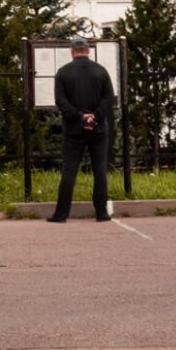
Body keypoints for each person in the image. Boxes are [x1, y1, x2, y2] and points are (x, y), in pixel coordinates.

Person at [49, 37, 116, 223]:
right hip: (99, 130)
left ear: (72, 51)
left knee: (69, 170)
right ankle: (101, 213)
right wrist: (95, 116)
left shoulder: (63, 73)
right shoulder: (101, 71)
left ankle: (61, 214)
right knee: (100, 170)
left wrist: (80, 116)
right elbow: (109, 98)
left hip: (73, 130)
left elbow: (61, 101)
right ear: (88, 51)